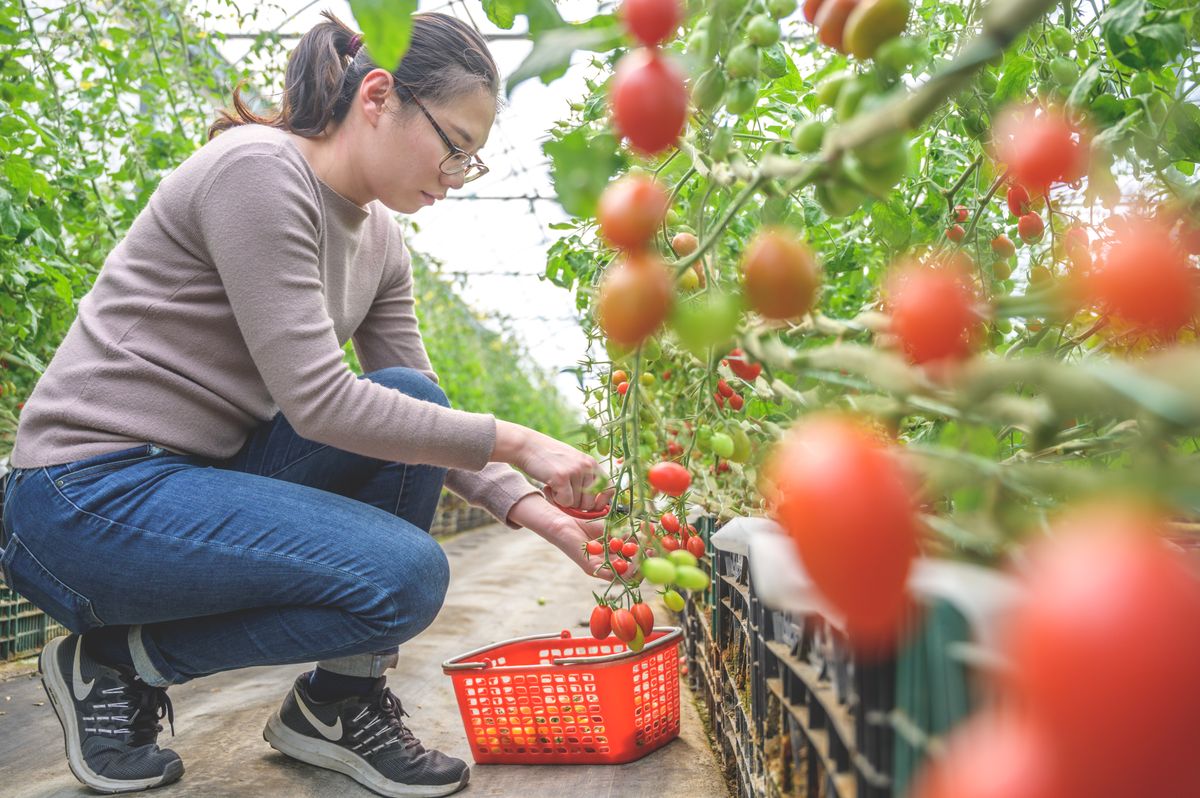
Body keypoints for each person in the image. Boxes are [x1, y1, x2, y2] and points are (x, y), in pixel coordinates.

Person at [0, 11, 614, 797]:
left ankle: (335, 705)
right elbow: (322, 403)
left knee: (411, 397)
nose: (458, 173)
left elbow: (420, 418)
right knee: (405, 577)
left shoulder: (384, 242)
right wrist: (523, 441)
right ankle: (114, 662)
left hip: (190, 485)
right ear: (379, 96)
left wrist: (543, 517)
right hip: (82, 499)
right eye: (454, 145)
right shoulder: (258, 169)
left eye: (473, 159)